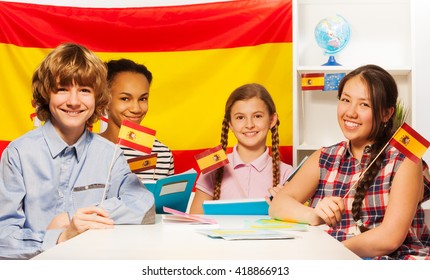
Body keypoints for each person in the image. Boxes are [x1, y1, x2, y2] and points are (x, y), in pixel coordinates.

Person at [0, 43, 155, 260]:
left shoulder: (110, 154)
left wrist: (72, 218)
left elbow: (143, 203)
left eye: (84, 90)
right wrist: (60, 237)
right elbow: (3, 237)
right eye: (62, 89)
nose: (73, 101)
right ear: (46, 94)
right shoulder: (18, 154)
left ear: (99, 97)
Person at [269, 64, 430, 259]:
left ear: (387, 114)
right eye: (346, 100)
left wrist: (330, 253)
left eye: (364, 104)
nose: (350, 112)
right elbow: (278, 204)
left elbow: (389, 238)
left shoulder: (405, 160)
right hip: (333, 263)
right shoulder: (324, 157)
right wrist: (315, 215)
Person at [190, 83, 293, 214]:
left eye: (257, 116)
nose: (249, 125)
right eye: (240, 117)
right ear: (230, 124)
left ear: (272, 120)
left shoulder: (287, 174)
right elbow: (194, 224)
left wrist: (283, 206)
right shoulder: (213, 167)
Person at [100, 58, 174, 181]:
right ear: (106, 99)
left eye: (142, 99)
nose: (136, 108)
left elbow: (167, 200)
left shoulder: (162, 154)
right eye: (125, 98)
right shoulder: (86, 148)